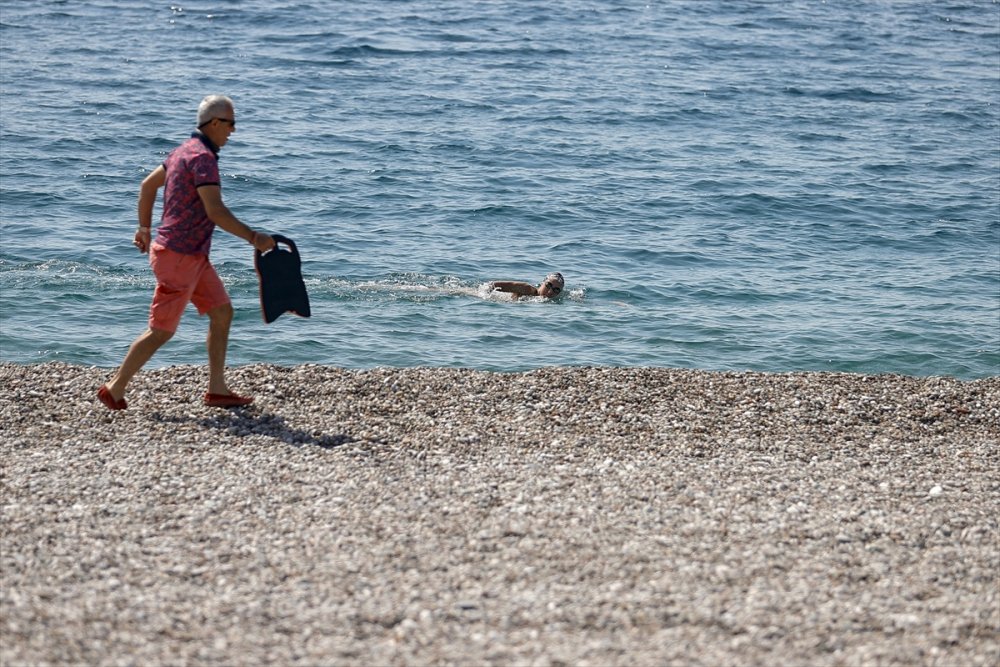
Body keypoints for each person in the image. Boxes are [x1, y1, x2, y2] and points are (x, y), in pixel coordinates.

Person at [97, 95, 276, 411]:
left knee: (222, 313)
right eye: (231, 124)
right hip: (179, 257)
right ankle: (115, 387)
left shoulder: (182, 151)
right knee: (161, 331)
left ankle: (217, 389)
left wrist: (144, 229)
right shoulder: (203, 158)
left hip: (190, 256)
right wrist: (253, 237)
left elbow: (147, 186)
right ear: (215, 123)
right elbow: (216, 211)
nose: (233, 131)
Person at [490, 272, 564, 300]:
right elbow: (492, 285)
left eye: (556, 290)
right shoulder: (526, 289)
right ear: (543, 282)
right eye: (548, 285)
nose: (550, 291)